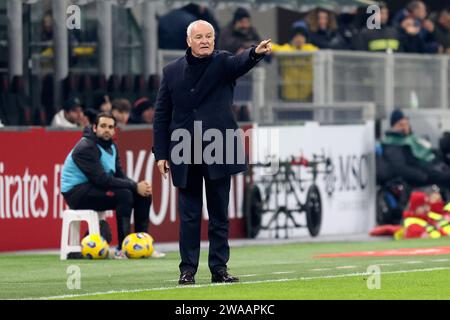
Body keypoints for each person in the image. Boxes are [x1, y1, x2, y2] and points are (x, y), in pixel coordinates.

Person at [153, 20, 271, 285]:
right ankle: (187, 271)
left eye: (209, 36)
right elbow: (161, 115)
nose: (205, 41)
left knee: (219, 214)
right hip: (184, 149)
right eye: (199, 37)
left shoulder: (222, 63)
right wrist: (160, 154)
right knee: (190, 216)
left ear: (214, 41)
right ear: (188, 41)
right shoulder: (171, 72)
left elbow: (240, 62)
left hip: (219, 148)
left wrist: (255, 53)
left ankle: (219, 269)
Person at [60, 112, 164, 259]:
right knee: (125, 195)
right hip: (75, 193)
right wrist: (134, 186)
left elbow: (119, 176)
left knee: (143, 195)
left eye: (110, 127)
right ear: (94, 128)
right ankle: (124, 248)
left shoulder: (112, 146)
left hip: (93, 188)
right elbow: (101, 180)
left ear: (115, 130)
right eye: (103, 126)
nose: (107, 130)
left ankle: (143, 244)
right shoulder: (86, 147)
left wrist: (138, 187)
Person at [382, 109, 450, 189]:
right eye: (405, 124)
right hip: (424, 172)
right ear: (399, 125)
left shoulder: (406, 138)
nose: (408, 126)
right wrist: (423, 176)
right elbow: (402, 168)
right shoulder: (393, 143)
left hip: (432, 165)